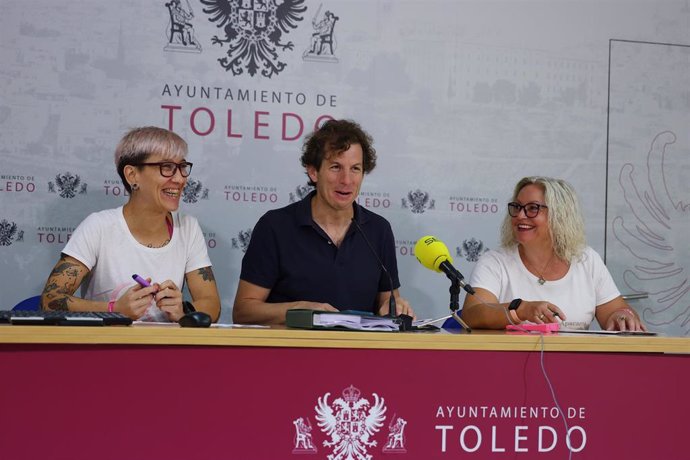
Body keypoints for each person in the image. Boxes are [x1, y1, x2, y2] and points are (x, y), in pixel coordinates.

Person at [233, 119, 414, 325]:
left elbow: (387, 302)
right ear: (313, 171)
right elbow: (243, 311)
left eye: (355, 169)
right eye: (336, 167)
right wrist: (297, 308)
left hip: (359, 353)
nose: (346, 180)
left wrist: (393, 307)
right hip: (292, 353)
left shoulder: (378, 229)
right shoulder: (275, 226)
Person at [40, 127, 220, 322]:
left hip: (166, 350)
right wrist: (114, 309)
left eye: (182, 167)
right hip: (106, 349)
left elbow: (212, 305)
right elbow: (50, 300)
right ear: (132, 175)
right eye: (167, 167)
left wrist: (184, 310)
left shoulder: (188, 227)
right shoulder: (99, 226)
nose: (179, 179)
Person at [461, 176, 647, 331]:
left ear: (560, 215)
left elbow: (617, 312)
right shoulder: (495, 262)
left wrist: (623, 316)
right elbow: (473, 314)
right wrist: (520, 309)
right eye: (517, 207)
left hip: (578, 367)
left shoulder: (587, 259)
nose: (519, 216)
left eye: (533, 208)